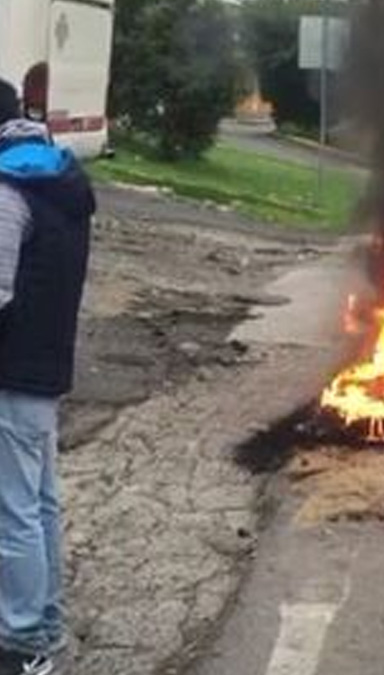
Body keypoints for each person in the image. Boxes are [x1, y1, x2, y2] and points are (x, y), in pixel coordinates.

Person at [0, 78, 94, 675]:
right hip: (44, 365)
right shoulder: (58, 177)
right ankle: (45, 623)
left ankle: (26, 642)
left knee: (12, 514)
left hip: (11, 371)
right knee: (36, 504)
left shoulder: (9, 192)